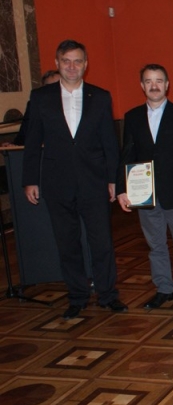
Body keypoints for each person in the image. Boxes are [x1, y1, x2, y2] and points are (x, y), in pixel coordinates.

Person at [22, 39, 126, 319]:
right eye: (66, 61)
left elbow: (109, 142)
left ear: (85, 65)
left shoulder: (100, 97)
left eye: (77, 61)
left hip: (94, 182)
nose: (71, 66)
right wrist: (30, 180)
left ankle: (108, 294)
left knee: (101, 242)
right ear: (57, 63)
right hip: (57, 182)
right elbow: (32, 142)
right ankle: (77, 296)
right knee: (67, 243)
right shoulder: (41, 97)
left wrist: (114, 180)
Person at [117, 64, 173, 310]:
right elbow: (127, 155)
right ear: (142, 86)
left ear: (167, 85)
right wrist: (123, 189)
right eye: (149, 81)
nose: (154, 86)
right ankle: (164, 289)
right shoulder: (132, 117)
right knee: (156, 246)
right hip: (145, 194)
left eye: (159, 81)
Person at [10, 70, 61, 147]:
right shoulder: (35, 104)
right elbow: (26, 131)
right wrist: (14, 145)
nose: (53, 90)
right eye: (49, 87)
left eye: (57, 86)